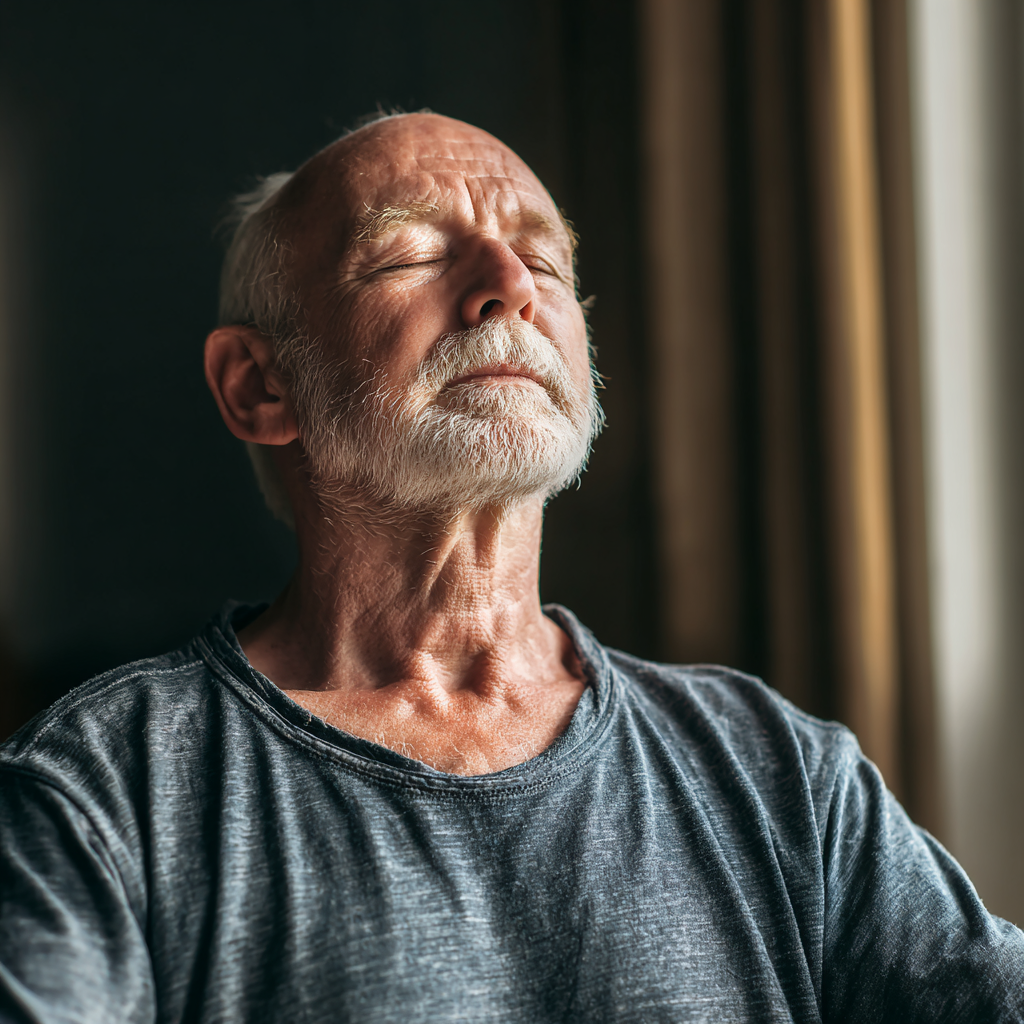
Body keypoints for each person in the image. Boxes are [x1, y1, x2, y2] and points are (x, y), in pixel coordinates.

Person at [0, 112, 1021, 1023]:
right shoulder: (103, 791)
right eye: (405, 256)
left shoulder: (782, 774)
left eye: (546, 260)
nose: (509, 289)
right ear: (260, 385)